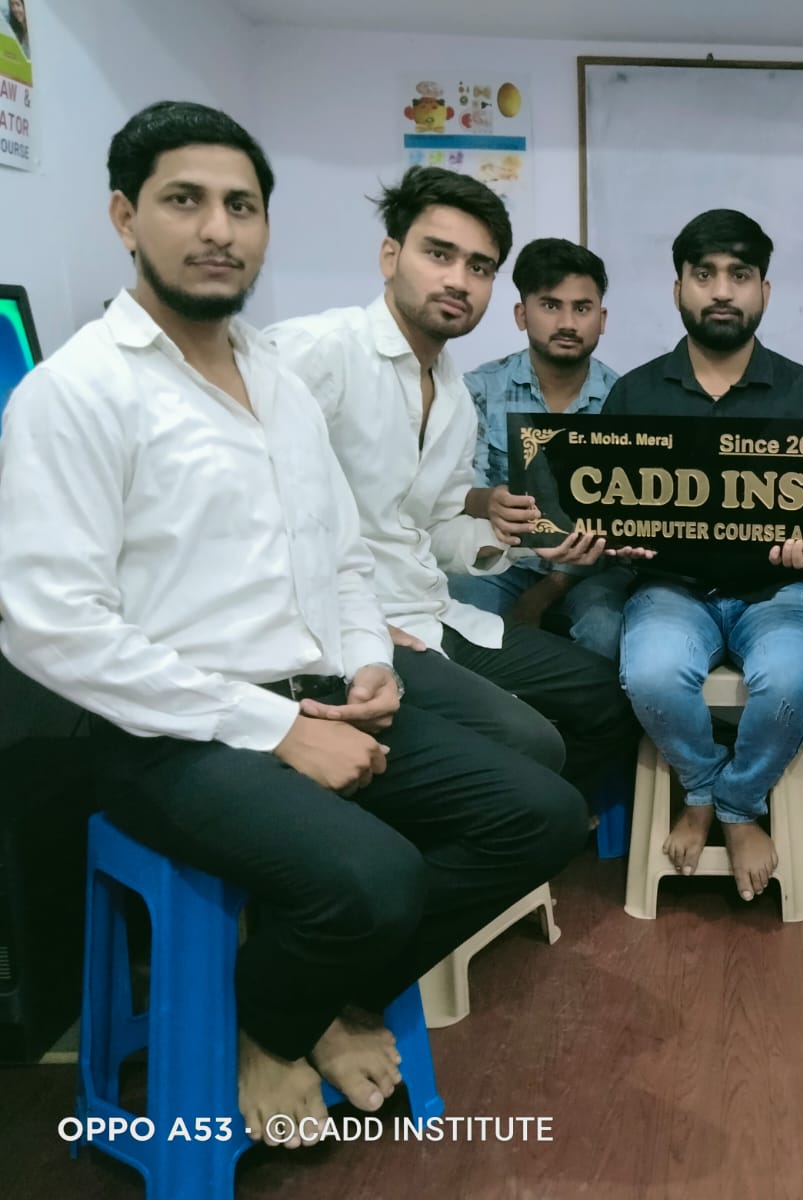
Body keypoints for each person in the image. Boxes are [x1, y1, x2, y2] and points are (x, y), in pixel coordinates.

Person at [0, 101, 586, 1144]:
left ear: (266, 227)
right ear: (126, 216)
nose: (217, 228)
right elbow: (49, 628)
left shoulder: (273, 379)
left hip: (319, 692)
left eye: (242, 206)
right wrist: (275, 729)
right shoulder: (76, 392)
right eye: (186, 200)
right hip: (173, 733)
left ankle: (315, 997)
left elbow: (342, 554)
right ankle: (270, 1029)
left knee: (542, 814)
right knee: (377, 876)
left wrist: (366, 664)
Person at [268, 168, 637, 794]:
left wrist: (511, 536)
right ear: (391, 256)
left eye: (479, 266)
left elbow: (434, 524)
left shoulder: (452, 394)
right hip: (350, 628)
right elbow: (249, 514)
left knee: (608, 697)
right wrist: (355, 628)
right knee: (531, 743)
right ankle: (517, 807)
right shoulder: (317, 352)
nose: (458, 280)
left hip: (429, 610)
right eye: (439, 254)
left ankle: (540, 807)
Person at [603, 209, 803, 903]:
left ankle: (735, 805)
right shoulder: (635, 393)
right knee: (651, 673)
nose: (721, 291)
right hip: (671, 588)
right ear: (678, 287)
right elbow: (603, 505)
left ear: (764, 290)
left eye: (739, 275)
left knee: (794, 682)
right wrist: (614, 538)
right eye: (704, 274)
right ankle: (706, 790)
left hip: (778, 590)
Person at [449, 237, 633, 661]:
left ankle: (584, 710)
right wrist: (489, 503)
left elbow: (624, 526)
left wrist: (550, 589)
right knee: (459, 609)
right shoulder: (478, 390)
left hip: (593, 573)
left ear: (602, 318)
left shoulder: (626, 399)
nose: (567, 322)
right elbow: (457, 493)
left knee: (606, 630)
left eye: (582, 308)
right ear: (521, 314)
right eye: (550, 305)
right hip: (503, 560)